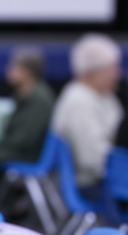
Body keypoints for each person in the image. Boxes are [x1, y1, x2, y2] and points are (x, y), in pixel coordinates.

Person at [0, 47, 55, 193]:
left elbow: (26, 138)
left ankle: (11, 201)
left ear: (27, 71)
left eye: (14, 67)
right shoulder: (25, 94)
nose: (8, 70)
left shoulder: (38, 99)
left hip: (30, 155)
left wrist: (1, 146)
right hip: (21, 149)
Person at [52, 33, 124, 198]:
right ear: (93, 72)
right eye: (113, 69)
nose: (118, 75)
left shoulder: (105, 96)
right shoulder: (80, 102)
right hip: (93, 184)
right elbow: (92, 160)